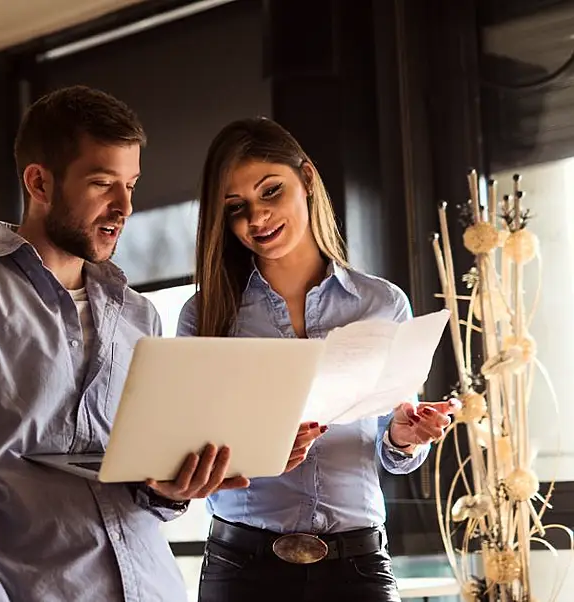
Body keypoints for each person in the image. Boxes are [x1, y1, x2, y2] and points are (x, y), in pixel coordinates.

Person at [0, 86, 272, 602]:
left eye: (132, 185)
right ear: (39, 182)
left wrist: (170, 490)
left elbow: (144, 487)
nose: (125, 206)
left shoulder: (138, 314)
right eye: (102, 184)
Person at [176, 117, 457, 602]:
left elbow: (393, 455)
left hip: (358, 567)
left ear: (306, 179)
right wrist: (257, 452)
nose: (257, 218)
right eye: (237, 207)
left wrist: (405, 437)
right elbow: (185, 454)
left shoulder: (382, 303)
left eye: (270, 192)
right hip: (241, 568)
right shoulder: (206, 314)